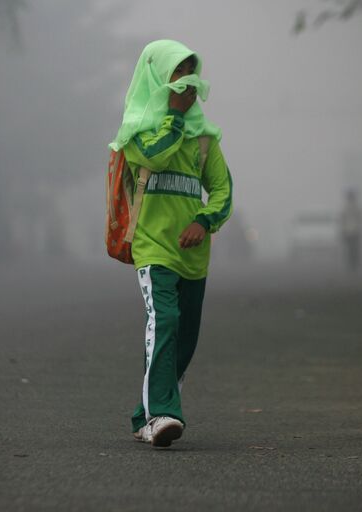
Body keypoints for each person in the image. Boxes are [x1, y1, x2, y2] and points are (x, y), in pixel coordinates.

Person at [109, 40, 233, 448]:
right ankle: (161, 415)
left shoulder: (205, 139)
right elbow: (156, 158)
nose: (186, 82)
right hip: (152, 248)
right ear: (157, 77)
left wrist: (204, 220)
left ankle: (144, 413)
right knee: (163, 321)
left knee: (185, 338)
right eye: (177, 73)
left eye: (189, 72)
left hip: (193, 258)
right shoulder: (137, 129)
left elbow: (222, 192)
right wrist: (175, 117)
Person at [338, 188, 362, 271]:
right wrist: (342, 230)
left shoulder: (356, 208)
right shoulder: (346, 208)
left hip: (355, 231)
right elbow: (342, 220)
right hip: (350, 231)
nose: (350, 199)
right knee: (351, 249)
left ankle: (354, 264)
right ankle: (352, 264)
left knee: (354, 248)